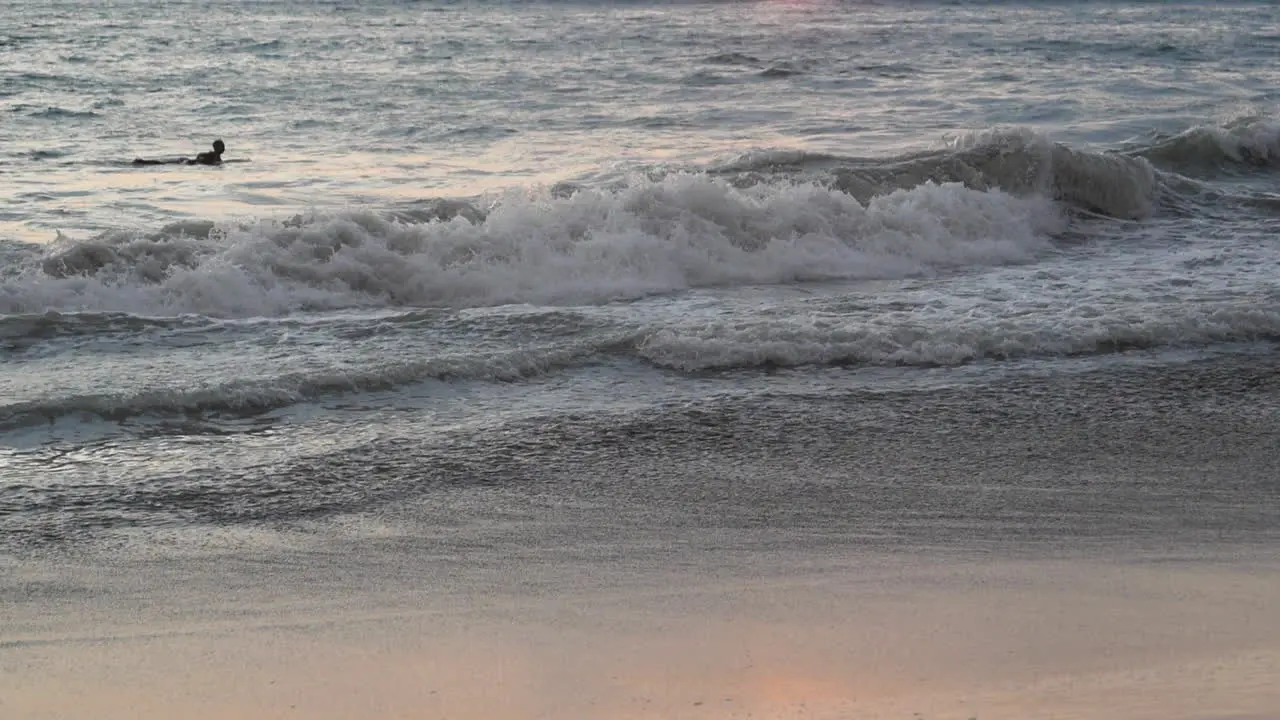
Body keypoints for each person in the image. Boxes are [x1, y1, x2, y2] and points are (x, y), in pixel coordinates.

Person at [132, 139, 225, 166]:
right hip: (185, 162)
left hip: (186, 161)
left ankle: (142, 162)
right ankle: (142, 162)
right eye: (222, 146)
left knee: (162, 163)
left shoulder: (214, 157)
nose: (224, 148)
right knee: (161, 163)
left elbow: (200, 156)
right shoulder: (215, 158)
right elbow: (200, 158)